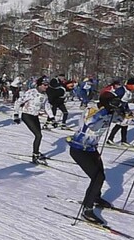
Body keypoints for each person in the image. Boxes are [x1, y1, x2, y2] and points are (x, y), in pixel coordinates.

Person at [66, 92, 124, 224]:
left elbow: (122, 120)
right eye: (111, 104)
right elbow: (90, 123)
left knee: (100, 174)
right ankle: (87, 209)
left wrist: (124, 113)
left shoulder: (109, 112)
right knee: (98, 177)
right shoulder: (91, 109)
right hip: (78, 148)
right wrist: (106, 111)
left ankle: (96, 197)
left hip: (92, 149)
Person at [13, 76, 53, 165]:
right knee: (38, 135)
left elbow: (47, 107)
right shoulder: (31, 92)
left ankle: (36, 151)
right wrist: (16, 115)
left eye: (47, 85)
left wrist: (52, 117)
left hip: (35, 116)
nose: (46, 87)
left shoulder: (45, 95)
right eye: (44, 85)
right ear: (39, 84)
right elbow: (18, 102)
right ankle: (35, 156)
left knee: (39, 136)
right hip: (27, 115)